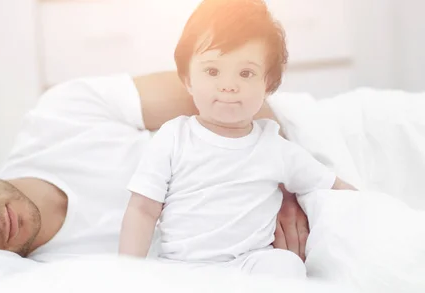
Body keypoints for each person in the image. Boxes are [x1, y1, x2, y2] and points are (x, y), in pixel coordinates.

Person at [0, 13, 316, 263]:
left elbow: (224, 89)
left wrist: (279, 182)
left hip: (301, 150)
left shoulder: (60, 116)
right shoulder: (51, 276)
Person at [118, 0, 356, 278]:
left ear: (268, 85)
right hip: (181, 268)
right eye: (212, 71)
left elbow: (333, 185)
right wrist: (126, 272)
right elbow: (143, 210)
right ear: (187, 79)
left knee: (286, 265)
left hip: (249, 263)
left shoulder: (275, 147)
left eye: (246, 73)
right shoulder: (173, 137)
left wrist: (374, 207)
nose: (228, 85)